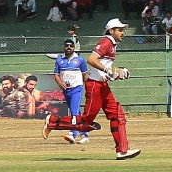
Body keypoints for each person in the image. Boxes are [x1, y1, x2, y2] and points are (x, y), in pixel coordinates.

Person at [45, 17, 140, 159]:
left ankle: (122, 150)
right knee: (86, 122)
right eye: (120, 30)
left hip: (102, 86)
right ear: (111, 30)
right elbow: (92, 59)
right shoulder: (106, 42)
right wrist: (108, 71)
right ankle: (52, 122)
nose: (123, 32)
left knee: (117, 115)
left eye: (123, 30)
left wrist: (118, 72)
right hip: (95, 85)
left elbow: (105, 67)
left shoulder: (112, 44)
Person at [48, 36, 89, 147]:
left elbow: (85, 74)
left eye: (71, 46)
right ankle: (84, 135)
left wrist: (85, 86)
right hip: (66, 90)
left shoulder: (79, 59)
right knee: (76, 111)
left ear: (74, 47)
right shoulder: (60, 59)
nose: (69, 47)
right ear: (64, 47)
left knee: (74, 111)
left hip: (77, 88)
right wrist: (60, 83)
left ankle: (72, 133)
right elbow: (56, 75)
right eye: (67, 45)